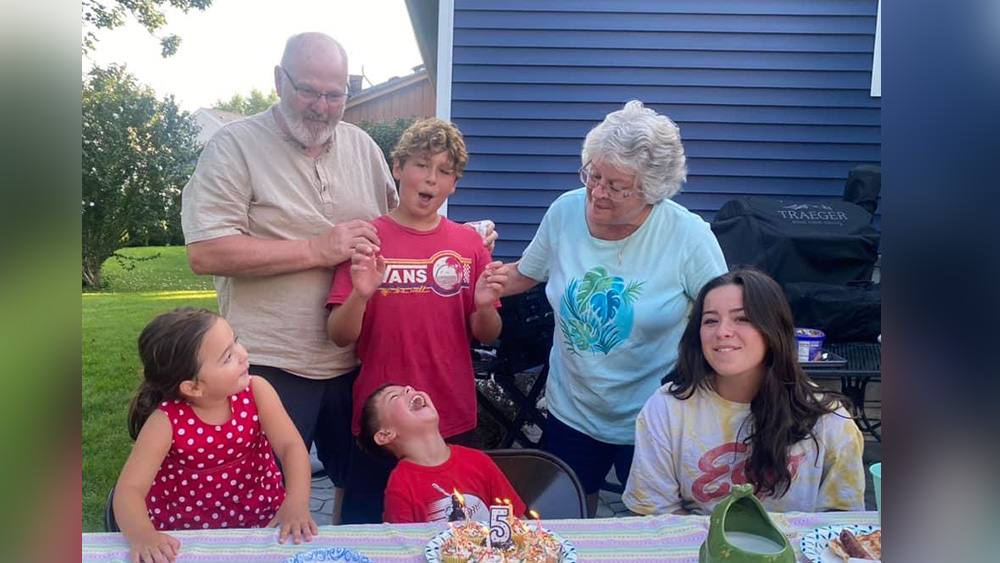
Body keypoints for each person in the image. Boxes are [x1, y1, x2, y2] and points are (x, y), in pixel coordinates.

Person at [180, 32, 496, 524]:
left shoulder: (362, 147)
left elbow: (400, 227)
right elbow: (205, 252)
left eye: (335, 94)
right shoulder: (235, 146)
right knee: (268, 491)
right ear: (279, 80)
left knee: (362, 491)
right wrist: (316, 249)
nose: (322, 106)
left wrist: (460, 242)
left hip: (358, 367)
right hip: (275, 363)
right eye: (309, 91)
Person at [500, 100, 728, 516]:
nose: (597, 192)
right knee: (567, 518)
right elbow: (524, 273)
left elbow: (725, 313)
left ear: (652, 191)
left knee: (653, 523)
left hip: (654, 416)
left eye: (616, 186)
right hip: (572, 408)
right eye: (593, 174)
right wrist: (471, 272)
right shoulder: (565, 212)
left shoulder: (688, 236)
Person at [327, 117, 507, 523]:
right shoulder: (368, 239)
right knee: (369, 527)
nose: (431, 179)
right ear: (398, 168)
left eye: (444, 171)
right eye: (422, 165)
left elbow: (487, 334)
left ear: (454, 184)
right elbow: (339, 335)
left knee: (455, 528)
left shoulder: (468, 244)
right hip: (382, 421)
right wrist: (361, 294)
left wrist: (483, 306)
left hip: (449, 414)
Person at [622, 268, 866, 515]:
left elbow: (841, 523)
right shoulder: (667, 409)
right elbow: (655, 513)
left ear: (773, 330)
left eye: (742, 319)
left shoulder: (830, 421)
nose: (722, 332)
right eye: (710, 320)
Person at [114, 308, 316, 563]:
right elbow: (129, 490)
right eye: (228, 356)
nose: (243, 354)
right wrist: (143, 535)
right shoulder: (165, 422)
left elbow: (290, 446)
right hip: (187, 537)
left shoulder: (257, 391)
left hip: (263, 521)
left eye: (236, 341)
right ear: (193, 387)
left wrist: (296, 501)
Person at [357, 383, 526, 523]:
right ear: (386, 435)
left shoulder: (479, 460)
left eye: (409, 388)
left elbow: (519, 522)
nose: (409, 388)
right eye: (394, 396)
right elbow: (402, 544)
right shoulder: (400, 485)